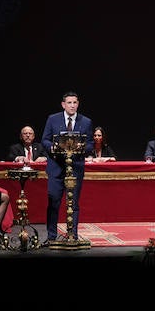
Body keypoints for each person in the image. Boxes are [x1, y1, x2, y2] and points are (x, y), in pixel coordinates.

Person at [41, 90, 93, 244]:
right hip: (56, 167)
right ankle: (51, 236)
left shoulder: (86, 122)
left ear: (78, 104)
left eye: (74, 102)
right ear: (63, 104)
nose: (72, 105)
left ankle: (73, 235)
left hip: (75, 167)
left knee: (74, 203)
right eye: (69, 103)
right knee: (54, 202)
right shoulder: (53, 119)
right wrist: (54, 147)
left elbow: (90, 143)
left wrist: (82, 147)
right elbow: (45, 139)